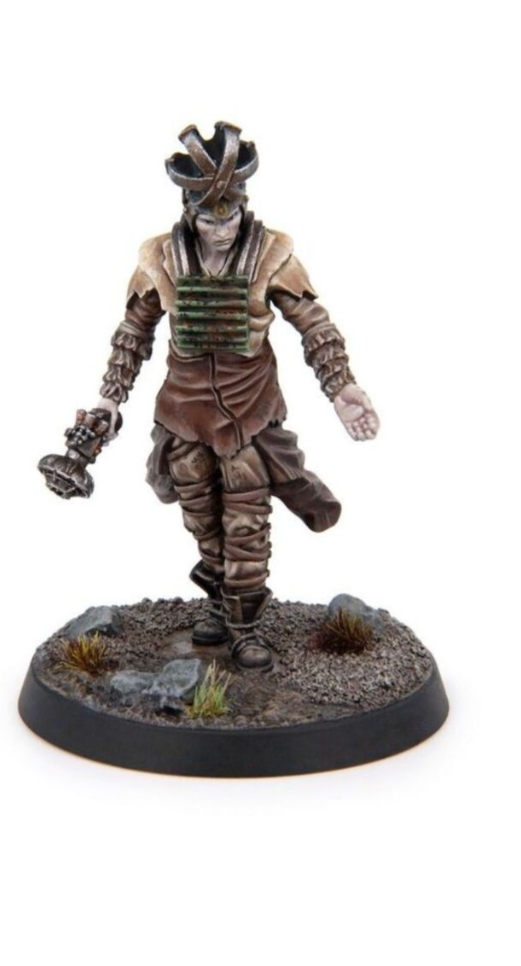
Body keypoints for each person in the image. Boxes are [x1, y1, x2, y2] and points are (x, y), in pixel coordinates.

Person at [61, 122, 379, 670]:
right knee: (202, 515)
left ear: (244, 207)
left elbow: (314, 324)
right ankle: (218, 601)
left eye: (230, 216)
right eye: (209, 218)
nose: (221, 228)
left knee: (245, 518)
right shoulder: (161, 260)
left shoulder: (271, 255)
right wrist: (111, 399)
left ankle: (246, 625)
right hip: (182, 413)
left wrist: (341, 385)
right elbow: (133, 332)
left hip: (249, 412)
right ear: (190, 213)